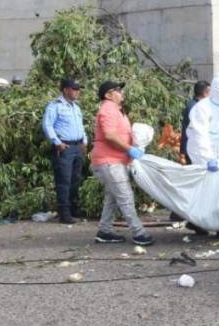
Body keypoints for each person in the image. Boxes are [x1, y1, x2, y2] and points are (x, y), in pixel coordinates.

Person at [91, 81, 154, 246]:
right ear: (108, 95)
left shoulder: (116, 110)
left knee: (112, 198)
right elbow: (110, 136)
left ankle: (104, 231)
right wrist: (129, 149)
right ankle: (139, 233)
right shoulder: (108, 109)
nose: (121, 92)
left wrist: (136, 145)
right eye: (117, 90)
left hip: (115, 161)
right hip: (109, 161)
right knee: (125, 196)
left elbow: (120, 134)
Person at [185, 74, 219, 240]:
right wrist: (207, 157)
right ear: (215, 91)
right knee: (206, 189)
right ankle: (203, 223)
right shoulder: (202, 108)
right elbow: (199, 134)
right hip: (201, 153)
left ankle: (216, 225)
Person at [42, 78, 87, 224]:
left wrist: (84, 141)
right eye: (74, 89)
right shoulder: (55, 106)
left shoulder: (75, 107)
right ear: (66, 90)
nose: (77, 91)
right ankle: (64, 213)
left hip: (77, 146)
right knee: (64, 181)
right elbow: (47, 125)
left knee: (76, 180)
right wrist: (57, 143)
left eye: (78, 89)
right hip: (65, 148)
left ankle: (74, 209)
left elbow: (81, 126)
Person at [180, 80, 211, 162]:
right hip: (195, 149)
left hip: (197, 147)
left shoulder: (196, 105)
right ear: (205, 93)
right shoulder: (195, 107)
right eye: (210, 92)